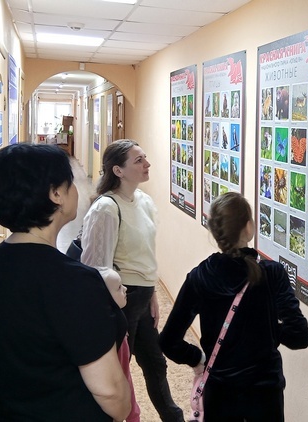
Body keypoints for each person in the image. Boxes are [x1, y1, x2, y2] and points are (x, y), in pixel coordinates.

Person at [0, 143, 131, 421]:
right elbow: (110, 393)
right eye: (70, 182)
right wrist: (123, 410)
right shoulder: (75, 282)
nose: (76, 189)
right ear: (56, 194)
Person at [159, 192, 308, 421]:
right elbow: (300, 336)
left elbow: (168, 341)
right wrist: (269, 331)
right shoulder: (273, 274)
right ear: (249, 228)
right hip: (265, 396)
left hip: (220, 395)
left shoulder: (200, 277)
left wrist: (198, 358)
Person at [81, 139, 184, 421]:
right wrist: (111, 312)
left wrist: (153, 294)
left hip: (143, 297)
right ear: (118, 170)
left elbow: (146, 254)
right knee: (118, 370)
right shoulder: (105, 209)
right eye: (138, 160)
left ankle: (173, 416)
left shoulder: (144, 201)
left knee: (155, 363)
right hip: (121, 300)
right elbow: (94, 267)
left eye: (145, 157)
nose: (147, 164)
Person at [99, 268, 141, 422]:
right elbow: (124, 376)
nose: (125, 289)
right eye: (118, 287)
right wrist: (133, 415)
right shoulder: (117, 335)